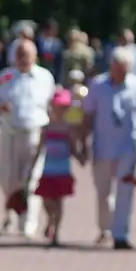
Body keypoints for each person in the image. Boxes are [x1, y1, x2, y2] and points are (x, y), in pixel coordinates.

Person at [79, 46, 136, 249]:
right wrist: (82, 142)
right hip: (102, 146)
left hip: (128, 147)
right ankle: (106, 228)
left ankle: (120, 235)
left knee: (125, 191)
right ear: (112, 66)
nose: (123, 73)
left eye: (126, 70)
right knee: (103, 192)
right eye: (119, 69)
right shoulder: (98, 85)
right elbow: (88, 115)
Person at [0, 39, 56, 237]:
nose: (22, 58)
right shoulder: (6, 76)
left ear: (35, 56)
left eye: (26, 54)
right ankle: (12, 213)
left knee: (32, 179)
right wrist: (0, 108)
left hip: (35, 132)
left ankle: (28, 222)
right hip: (10, 133)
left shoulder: (45, 77)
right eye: (19, 54)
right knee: (8, 179)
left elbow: (52, 105)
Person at [31, 89, 85, 247]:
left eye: (62, 107)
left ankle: (56, 232)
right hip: (48, 170)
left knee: (59, 202)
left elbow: (73, 148)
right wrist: (32, 166)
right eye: (56, 107)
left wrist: (80, 158)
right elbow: (39, 149)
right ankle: (50, 220)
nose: (59, 110)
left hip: (62, 170)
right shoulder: (46, 128)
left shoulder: (68, 128)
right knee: (47, 200)